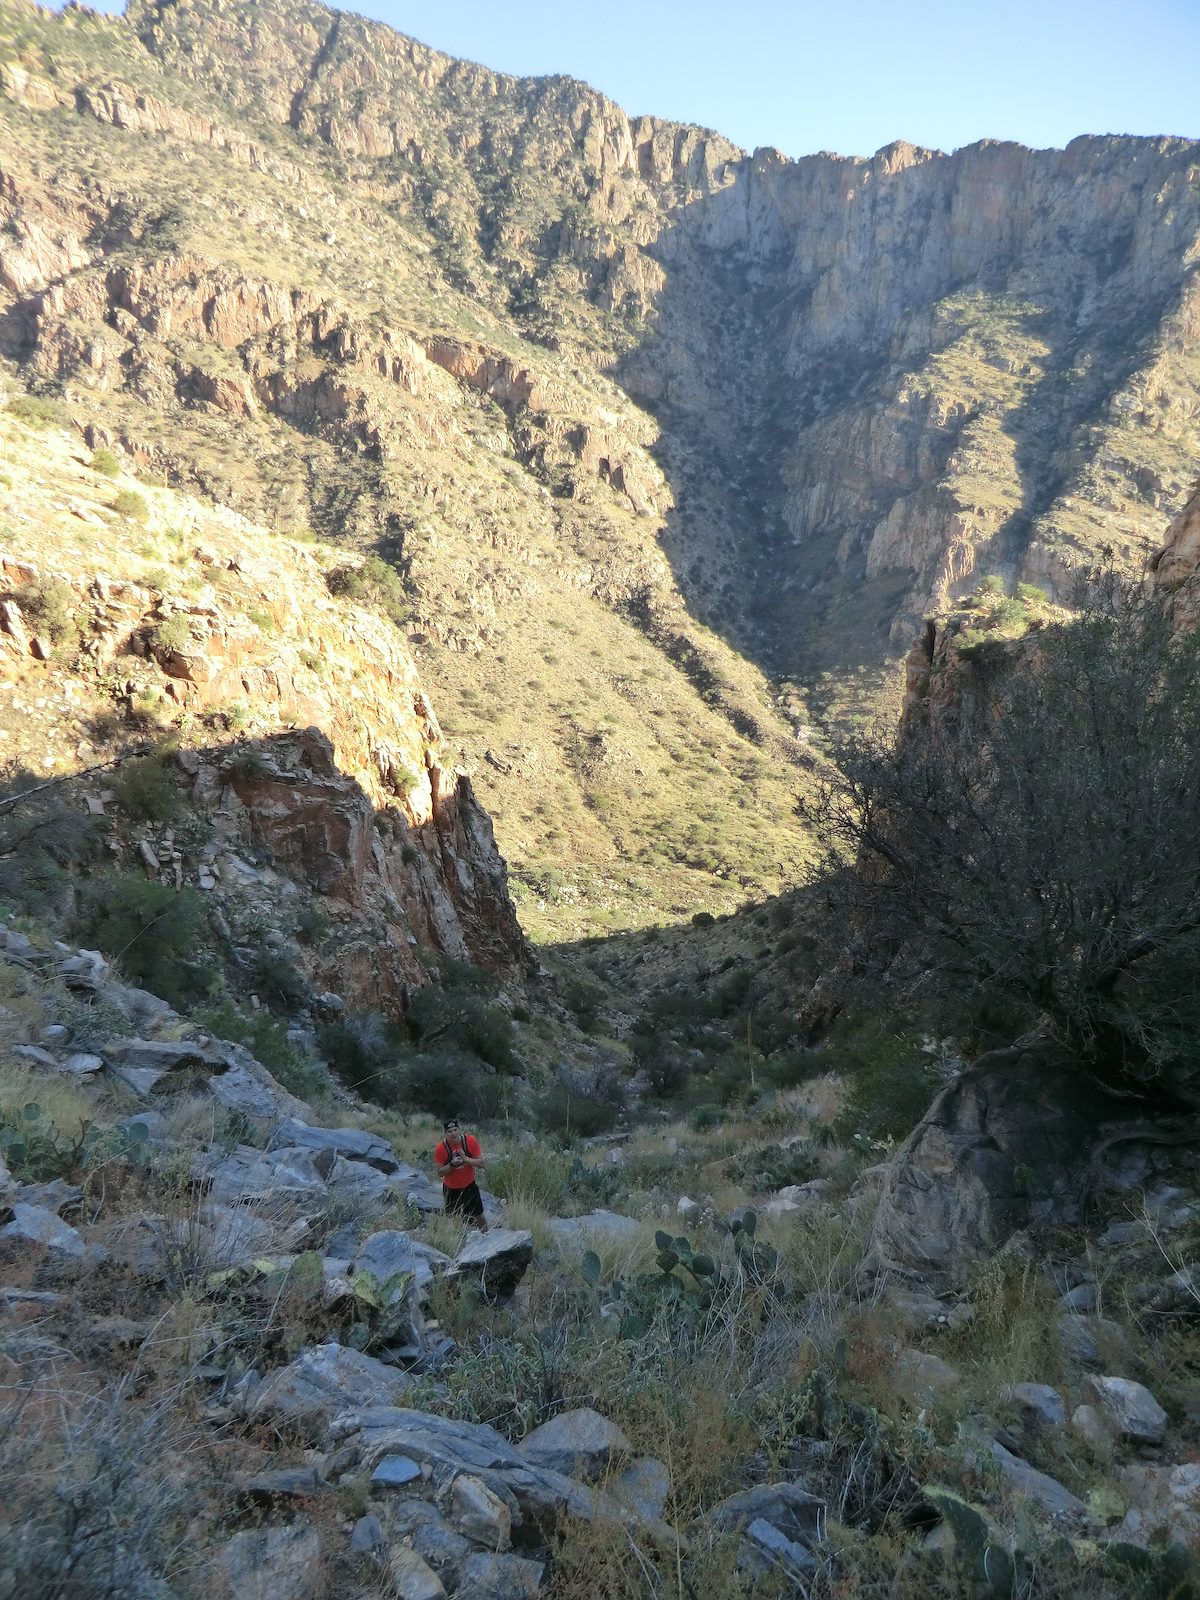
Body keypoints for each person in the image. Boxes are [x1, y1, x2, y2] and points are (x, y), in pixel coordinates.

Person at [434, 1117, 487, 1230]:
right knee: (453, 1218)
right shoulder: (440, 1148)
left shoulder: (470, 1141)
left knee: (479, 1215)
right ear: (445, 1133)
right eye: (450, 1131)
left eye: (455, 1130)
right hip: (451, 1189)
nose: (453, 1133)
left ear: (459, 1130)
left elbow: (481, 1163)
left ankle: (486, 1235)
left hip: (469, 1186)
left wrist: (466, 1159)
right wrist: (452, 1165)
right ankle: (459, 1237)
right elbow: (440, 1172)